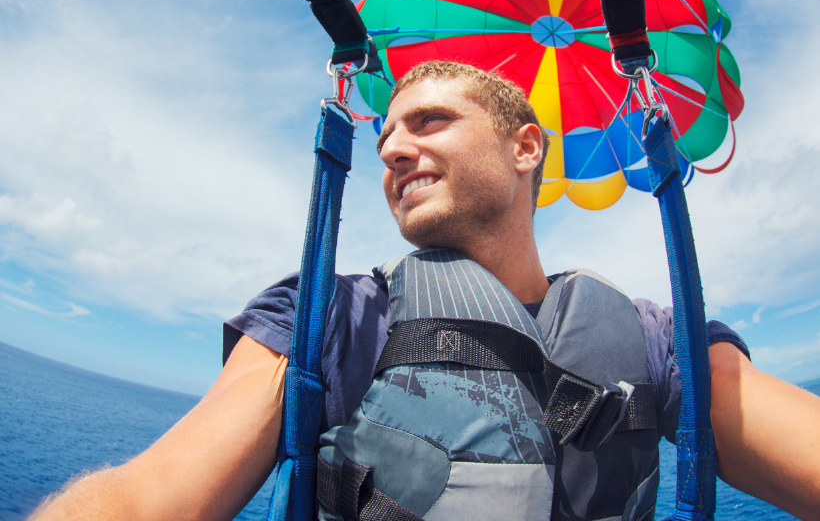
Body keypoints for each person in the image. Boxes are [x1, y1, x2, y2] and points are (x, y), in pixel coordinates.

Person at [31, 62, 820, 521]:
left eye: (431, 122)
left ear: (525, 147)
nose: (396, 151)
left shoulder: (654, 341)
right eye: (384, 139)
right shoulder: (331, 319)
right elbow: (152, 493)